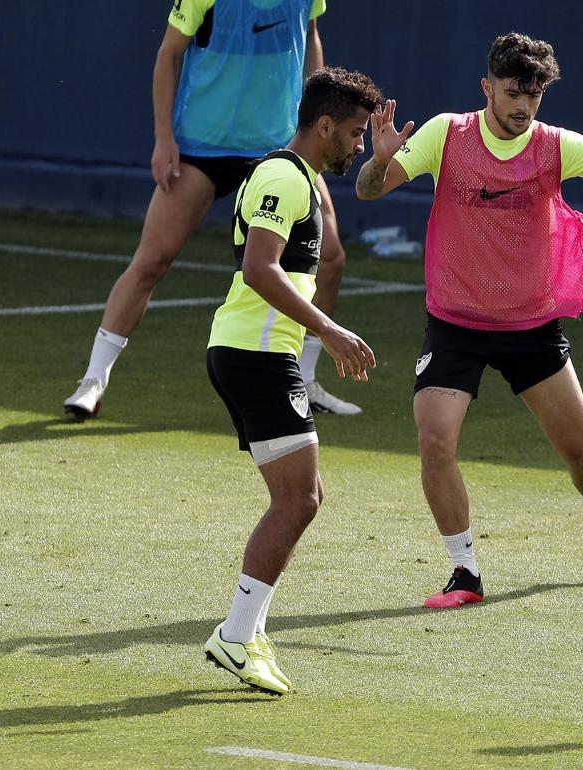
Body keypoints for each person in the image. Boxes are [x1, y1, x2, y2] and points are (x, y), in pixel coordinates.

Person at [355, 32, 583, 609]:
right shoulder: (445, 135)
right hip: (455, 323)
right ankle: (465, 571)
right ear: (487, 87)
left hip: (531, 328)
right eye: (513, 93)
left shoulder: (554, 146)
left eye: (533, 97)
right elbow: (368, 193)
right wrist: (379, 162)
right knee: (434, 439)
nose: (523, 108)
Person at [62, 0, 363, 420]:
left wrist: (311, 126)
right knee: (152, 260)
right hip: (201, 147)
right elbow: (169, 53)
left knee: (330, 260)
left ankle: (305, 380)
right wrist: (163, 136)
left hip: (277, 147)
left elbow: (310, 37)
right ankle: (93, 381)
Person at [202, 67, 379, 694]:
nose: (358, 143)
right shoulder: (283, 176)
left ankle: (243, 632)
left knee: (299, 496)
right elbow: (259, 269)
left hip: (254, 353)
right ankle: (235, 634)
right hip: (254, 354)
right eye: (354, 132)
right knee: (299, 498)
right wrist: (328, 332)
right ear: (323, 125)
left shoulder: (298, 177)